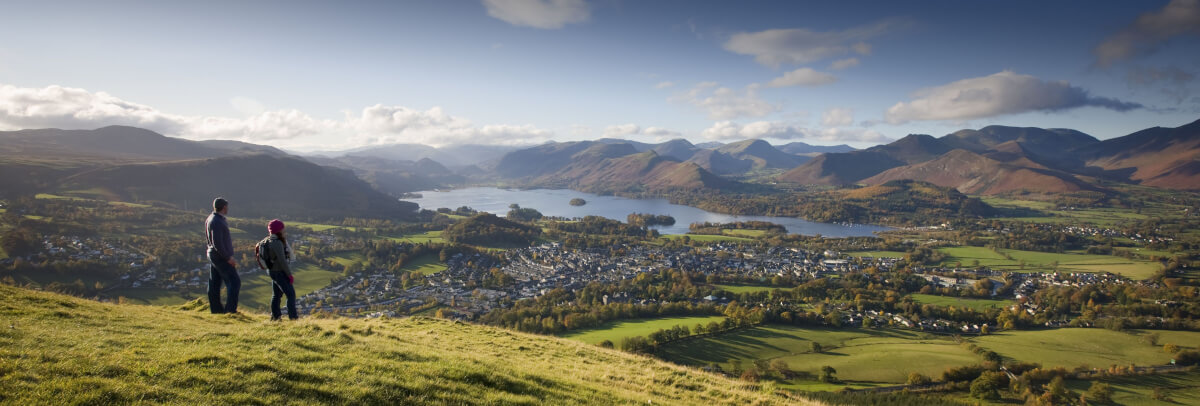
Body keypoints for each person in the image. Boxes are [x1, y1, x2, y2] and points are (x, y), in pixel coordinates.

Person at [205, 197, 240, 314]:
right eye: (227, 207)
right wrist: (228, 257)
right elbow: (218, 243)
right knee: (234, 281)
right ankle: (230, 311)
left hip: (213, 254)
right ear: (224, 207)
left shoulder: (211, 218)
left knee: (214, 283)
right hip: (220, 256)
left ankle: (216, 310)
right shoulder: (218, 221)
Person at [262, 219, 297, 321]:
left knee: (276, 295)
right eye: (282, 229)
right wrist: (289, 275)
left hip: (272, 271)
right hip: (279, 272)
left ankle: (275, 317)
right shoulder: (277, 243)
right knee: (291, 295)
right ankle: (293, 318)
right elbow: (282, 261)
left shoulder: (268, 240)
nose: (284, 230)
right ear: (279, 230)